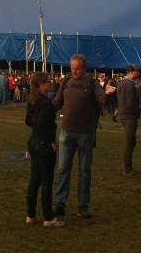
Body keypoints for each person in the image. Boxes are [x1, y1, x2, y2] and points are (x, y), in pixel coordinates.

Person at [51, 54, 105, 220]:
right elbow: (57, 102)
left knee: (84, 170)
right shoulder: (66, 82)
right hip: (66, 131)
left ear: (84, 68)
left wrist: (108, 94)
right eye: (72, 68)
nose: (73, 71)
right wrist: (42, 108)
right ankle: (59, 203)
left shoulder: (92, 83)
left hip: (85, 133)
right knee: (62, 168)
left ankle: (83, 205)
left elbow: (101, 98)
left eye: (77, 68)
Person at [25, 72, 63, 227]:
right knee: (46, 181)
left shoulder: (33, 100)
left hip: (33, 141)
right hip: (43, 143)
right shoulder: (46, 102)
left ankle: (30, 214)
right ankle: (48, 217)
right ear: (41, 84)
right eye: (48, 81)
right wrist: (52, 142)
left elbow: (28, 120)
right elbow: (42, 124)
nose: (51, 82)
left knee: (35, 180)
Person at [116, 64, 141, 175]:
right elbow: (132, 103)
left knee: (131, 141)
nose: (139, 73)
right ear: (131, 72)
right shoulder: (130, 85)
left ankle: (128, 166)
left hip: (123, 114)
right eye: (137, 71)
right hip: (129, 116)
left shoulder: (122, 83)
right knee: (129, 142)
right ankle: (127, 168)